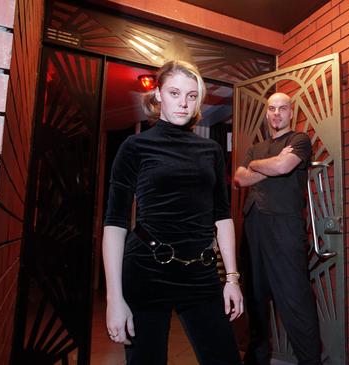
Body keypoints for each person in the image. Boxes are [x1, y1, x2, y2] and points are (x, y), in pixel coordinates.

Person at [102, 60, 243, 365]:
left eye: (192, 96)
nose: (183, 103)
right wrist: (114, 298)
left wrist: (231, 278)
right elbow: (115, 223)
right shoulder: (135, 146)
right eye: (175, 93)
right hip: (147, 270)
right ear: (158, 95)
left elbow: (222, 216)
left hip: (201, 272)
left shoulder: (211, 151)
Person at [234, 92, 321, 365]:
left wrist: (256, 167)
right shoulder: (256, 146)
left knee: (296, 299)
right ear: (267, 113)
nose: (276, 113)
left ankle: (310, 361)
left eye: (282, 108)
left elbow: (284, 166)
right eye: (272, 108)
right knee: (255, 299)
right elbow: (239, 178)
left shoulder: (299, 140)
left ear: (290, 113)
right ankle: (257, 359)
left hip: (285, 227)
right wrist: (266, 166)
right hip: (253, 226)